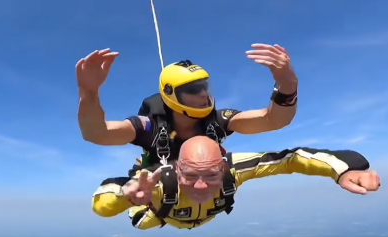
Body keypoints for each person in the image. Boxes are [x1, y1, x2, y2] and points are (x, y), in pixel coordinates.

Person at [77, 45, 299, 172]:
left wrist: (287, 84)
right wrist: (89, 94)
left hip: (206, 191)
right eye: (192, 89)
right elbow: (96, 133)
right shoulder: (150, 126)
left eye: (204, 86)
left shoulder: (219, 120)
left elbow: (274, 120)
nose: (203, 94)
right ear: (171, 94)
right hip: (159, 193)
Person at [92, 136, 380, 230]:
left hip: (198, 214)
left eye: (212, 175)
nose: (202, 186)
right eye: (191, 176)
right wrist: (127, 197)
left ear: (223, 166)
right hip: (155, 215)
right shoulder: (156, 181)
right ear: (177, 170)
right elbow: (101, 206)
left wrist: (343, 169)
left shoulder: (235, 168)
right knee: (139, 211)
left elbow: (290, 158)